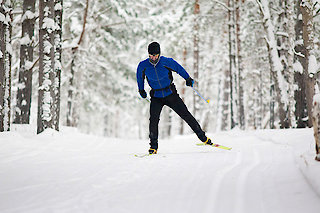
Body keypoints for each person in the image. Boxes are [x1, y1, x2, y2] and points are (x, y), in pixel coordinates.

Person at [136, 41, 212, 154]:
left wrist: (188, 78)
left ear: (159, 54)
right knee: (153, 120)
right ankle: (153, 147)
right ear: (148, 54)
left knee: (186, 115)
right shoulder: (143, 66)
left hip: (170, 93)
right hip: (156, 96)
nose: (153, 58)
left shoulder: (166, 62)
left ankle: (203, 138)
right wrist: (141, 90)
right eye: (151, 55)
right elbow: (139, 77)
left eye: (156, 55)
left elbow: (179, 68)